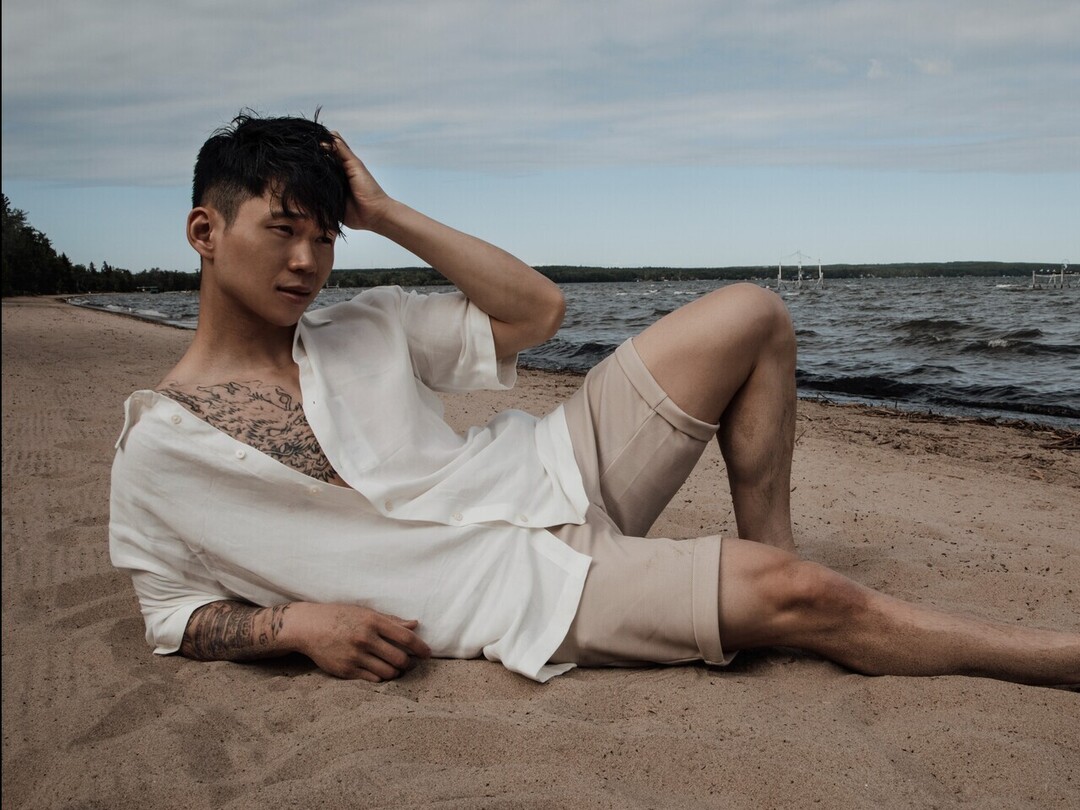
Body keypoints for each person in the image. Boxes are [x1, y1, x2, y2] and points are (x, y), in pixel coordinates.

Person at [109, 111, 1079, 687]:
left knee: (752, 312)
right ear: (205, 231)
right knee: (809, 598)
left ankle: (769, 556)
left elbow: (536, 312)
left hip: (553, 463)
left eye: (324, 237)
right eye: (283, 230)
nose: (307, 260)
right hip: (516, 590)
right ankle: (1053, 655)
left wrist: (386, 213)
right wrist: (296, 628)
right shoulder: (162, 449)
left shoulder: (364, 323)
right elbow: (172, 612)